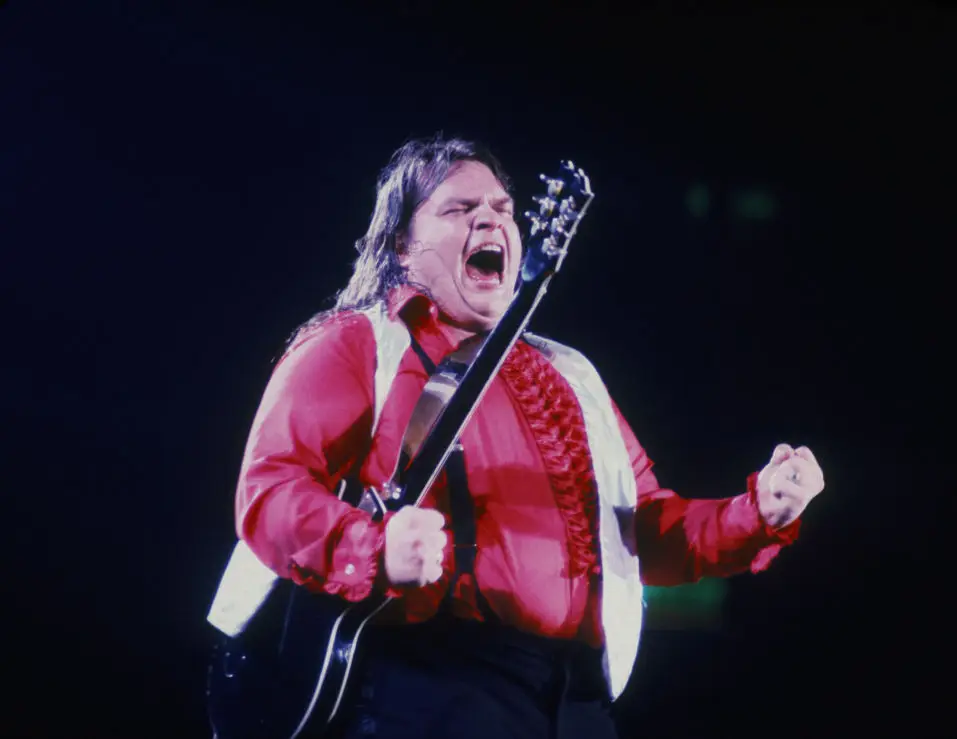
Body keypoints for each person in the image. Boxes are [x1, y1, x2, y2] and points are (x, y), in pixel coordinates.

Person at [218, 135, 825, 739]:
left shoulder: (570, 375)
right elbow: (269, 491)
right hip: (428, 685)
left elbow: (641, 529)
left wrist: (756, 512)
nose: (490, 217)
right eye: (458, 209)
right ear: (402, 244)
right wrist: (370, 548)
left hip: (575, 701)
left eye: (503, 209)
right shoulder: (358, 343)